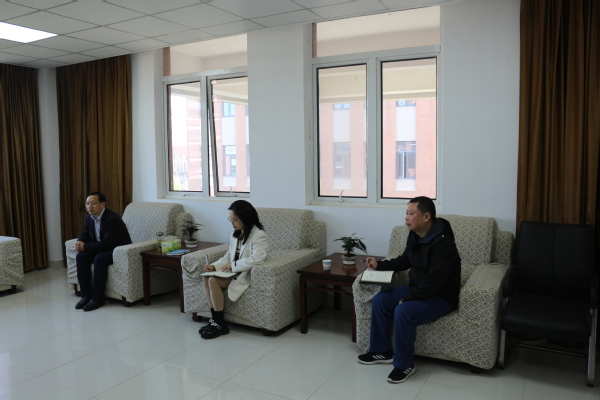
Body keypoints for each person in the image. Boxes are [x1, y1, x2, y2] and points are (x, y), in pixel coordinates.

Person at [358, 196, 461, 383]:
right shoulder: (415, 235)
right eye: (406, 213)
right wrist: (379, 265)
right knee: (381, 300)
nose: (406, 217)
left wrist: (408, 298)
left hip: (440, 297)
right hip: (418, 289)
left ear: (426, 217)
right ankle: (381, 351)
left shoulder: (444, 243)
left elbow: (434, 281)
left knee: (403, 310)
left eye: (411, 213)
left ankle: (404, 365)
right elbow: (405, 260)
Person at [200, 200, 268, 339]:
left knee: (213, 280)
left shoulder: (258, 235)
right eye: (230, 219)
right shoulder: (234, 234)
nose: (232, 223)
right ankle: (215, 320)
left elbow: (257, 258)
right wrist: (214, 266)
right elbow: (228, 255)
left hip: (244, 273)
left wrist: (234, 265)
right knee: (206, 277)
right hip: (232, 271)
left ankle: (220, 324)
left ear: (246, 218)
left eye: (235, 220)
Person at [74, 192, 132, 311]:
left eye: (93, 203)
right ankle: (86, 295)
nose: (89, 206)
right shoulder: (89, 217)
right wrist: (80, 241)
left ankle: (98, 298)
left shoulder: (112, 219)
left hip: (117, 249)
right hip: (100, 247)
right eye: (87, 204)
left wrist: (86, 247)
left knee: (100, 258)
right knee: (81, 257)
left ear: (103, 204)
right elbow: (86, 232)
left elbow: (108, 243)